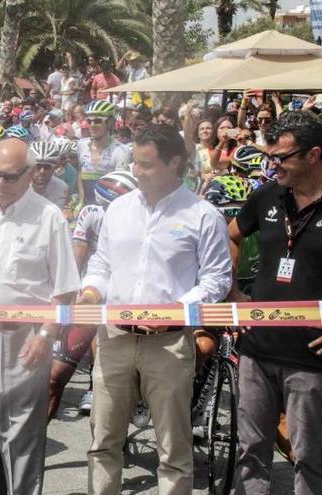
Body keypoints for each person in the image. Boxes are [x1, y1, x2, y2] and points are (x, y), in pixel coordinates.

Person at [78, 124, 232, 494]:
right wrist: (90, 291)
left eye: (146, 165)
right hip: (114, 337)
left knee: (173, 448)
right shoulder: (118, 209)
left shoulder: (203, 215)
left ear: (174, 162)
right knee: (103, 440)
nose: (137, 171)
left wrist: (173, 311)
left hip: (169, 342)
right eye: (135, 162)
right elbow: (102, 264)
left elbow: (217, 280)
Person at [0, 137, 81, 494]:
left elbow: (65, 289)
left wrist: (45, 336)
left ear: (30, 174)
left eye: (8, 177)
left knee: (20, 437)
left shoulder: (48, 217)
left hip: (24, 339)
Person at [229, 111, 322, 495]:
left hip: (310, 359)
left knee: (310, 457)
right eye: (270, 157)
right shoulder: (267, 195)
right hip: (257, 349)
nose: (273, 165)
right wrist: (234, 292)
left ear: (314, 155)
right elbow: (231, 235)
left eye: (282, 158)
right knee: (251, 451)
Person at [48, 170, 139, 422]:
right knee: (55, 375)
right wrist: (72, 295)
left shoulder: (142, 220)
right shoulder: (91, 213)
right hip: (92, 290)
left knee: (110, 372)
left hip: (124, 299)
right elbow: (78, 257)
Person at [77, 100, 131, 204]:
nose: (92, 125)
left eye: (98, 121)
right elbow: (80, 172)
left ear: (110, 123)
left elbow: (119, 187)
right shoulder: (81, 145)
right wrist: (81, 199)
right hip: (86, 204)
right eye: (89, 121)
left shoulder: (122, 151)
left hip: (109, 205)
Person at [29, 141, 70, 208]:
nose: (42, 171)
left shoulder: (62, 188)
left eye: (47, 167)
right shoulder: (18, 187)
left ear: (54, 168)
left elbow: (67, 213)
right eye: (38, 166)